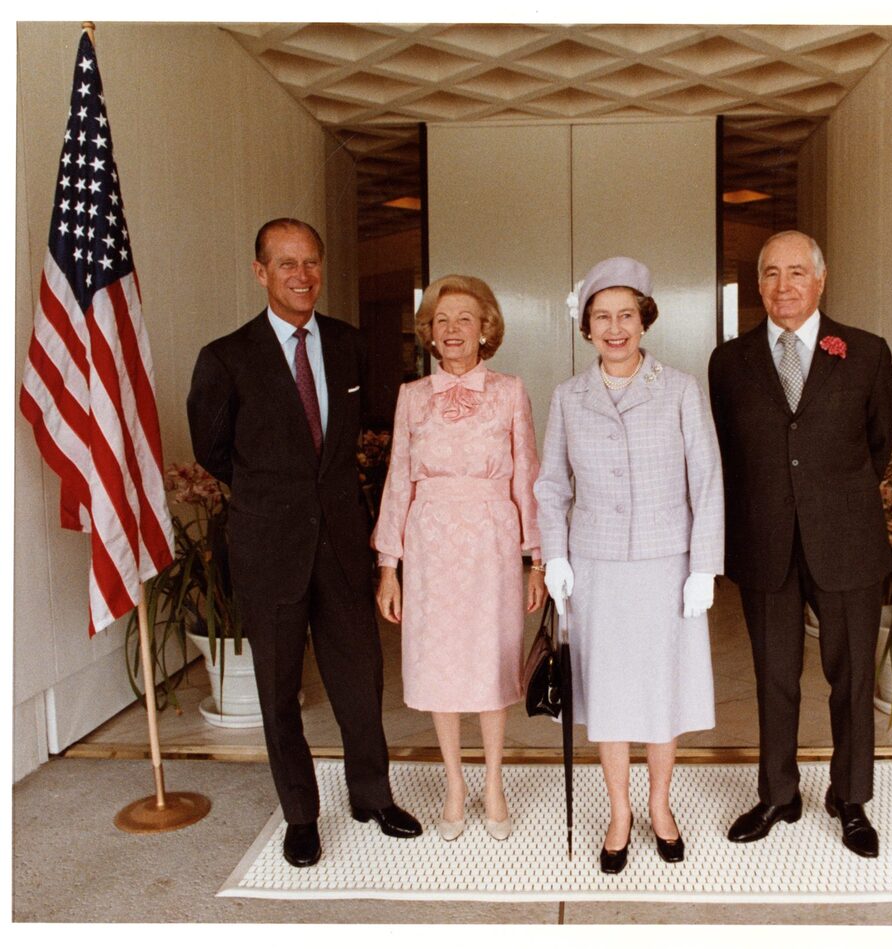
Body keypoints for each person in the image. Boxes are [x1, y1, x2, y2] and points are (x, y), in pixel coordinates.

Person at [187, 218, 421, 869]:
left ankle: (372, 796)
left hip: (342, 543)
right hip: (269, 548)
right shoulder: (226, 358)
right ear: (260, 272)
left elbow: (364, 430)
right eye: (286, 263)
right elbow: (213, 450)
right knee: (278, 688)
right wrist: (275, 495)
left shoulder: (348, 344)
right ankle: (300, 815)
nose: (302, 275)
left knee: (360, 680)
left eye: (311, 261)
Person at [708, 230, 892, 859]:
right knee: (774, 677)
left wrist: (830, 500)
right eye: (771, 273)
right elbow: (730, 453)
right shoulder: (729, 362)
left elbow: (878, 445)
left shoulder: (866, 353)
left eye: (796, 272)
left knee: (852, 679)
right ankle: (778, 795)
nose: (783, 285)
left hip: (845, 540)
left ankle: (851, 798)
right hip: (764, 541)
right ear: (758, 283)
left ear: (820, 279)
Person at [535, 257, 723, 873]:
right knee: (611, 696)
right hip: (597, 568)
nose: (614, 328)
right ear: (586, 327)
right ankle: (620, 812)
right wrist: (555, 556)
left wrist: (704, 566)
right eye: (601, 317)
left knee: (664, 691)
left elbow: (708, 481)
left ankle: (660, 807)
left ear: (644, 320)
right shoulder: (568, 397)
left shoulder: (681, 389)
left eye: (625, 315)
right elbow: (551, 486)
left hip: (668, 565)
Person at [372, 275, 546, 843]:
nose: (452, 330)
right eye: (441, 320)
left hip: (492, 542)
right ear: (428, 331)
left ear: (485, 329)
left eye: (464, 319)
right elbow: (399, 478)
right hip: (430, 543)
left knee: (492, 661)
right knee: (439, 664)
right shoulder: (411, 396)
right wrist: (389, 566)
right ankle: (453, 784)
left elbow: (528, 476)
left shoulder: (510, 390)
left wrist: (537, 560)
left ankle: (493, 783)